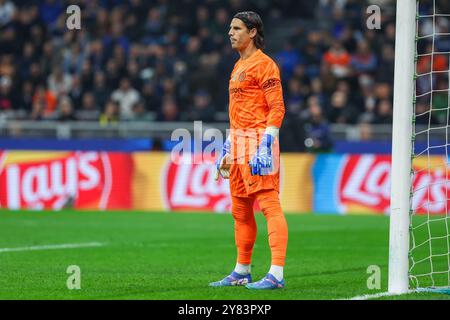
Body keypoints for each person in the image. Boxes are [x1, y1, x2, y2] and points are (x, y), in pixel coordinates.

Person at [210, 11, 288, 290]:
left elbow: (277, 107)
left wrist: (267, 144)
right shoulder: (237, 66)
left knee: (269, 205)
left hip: (260, 142)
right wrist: (228, 146)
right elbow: (236, 113)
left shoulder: (265, 65)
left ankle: (276, 273)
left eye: (237, 28)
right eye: (230, 28)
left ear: (253, 32)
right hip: (240, 143)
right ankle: (242, 270)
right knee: (240, 210)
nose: (230, 33)